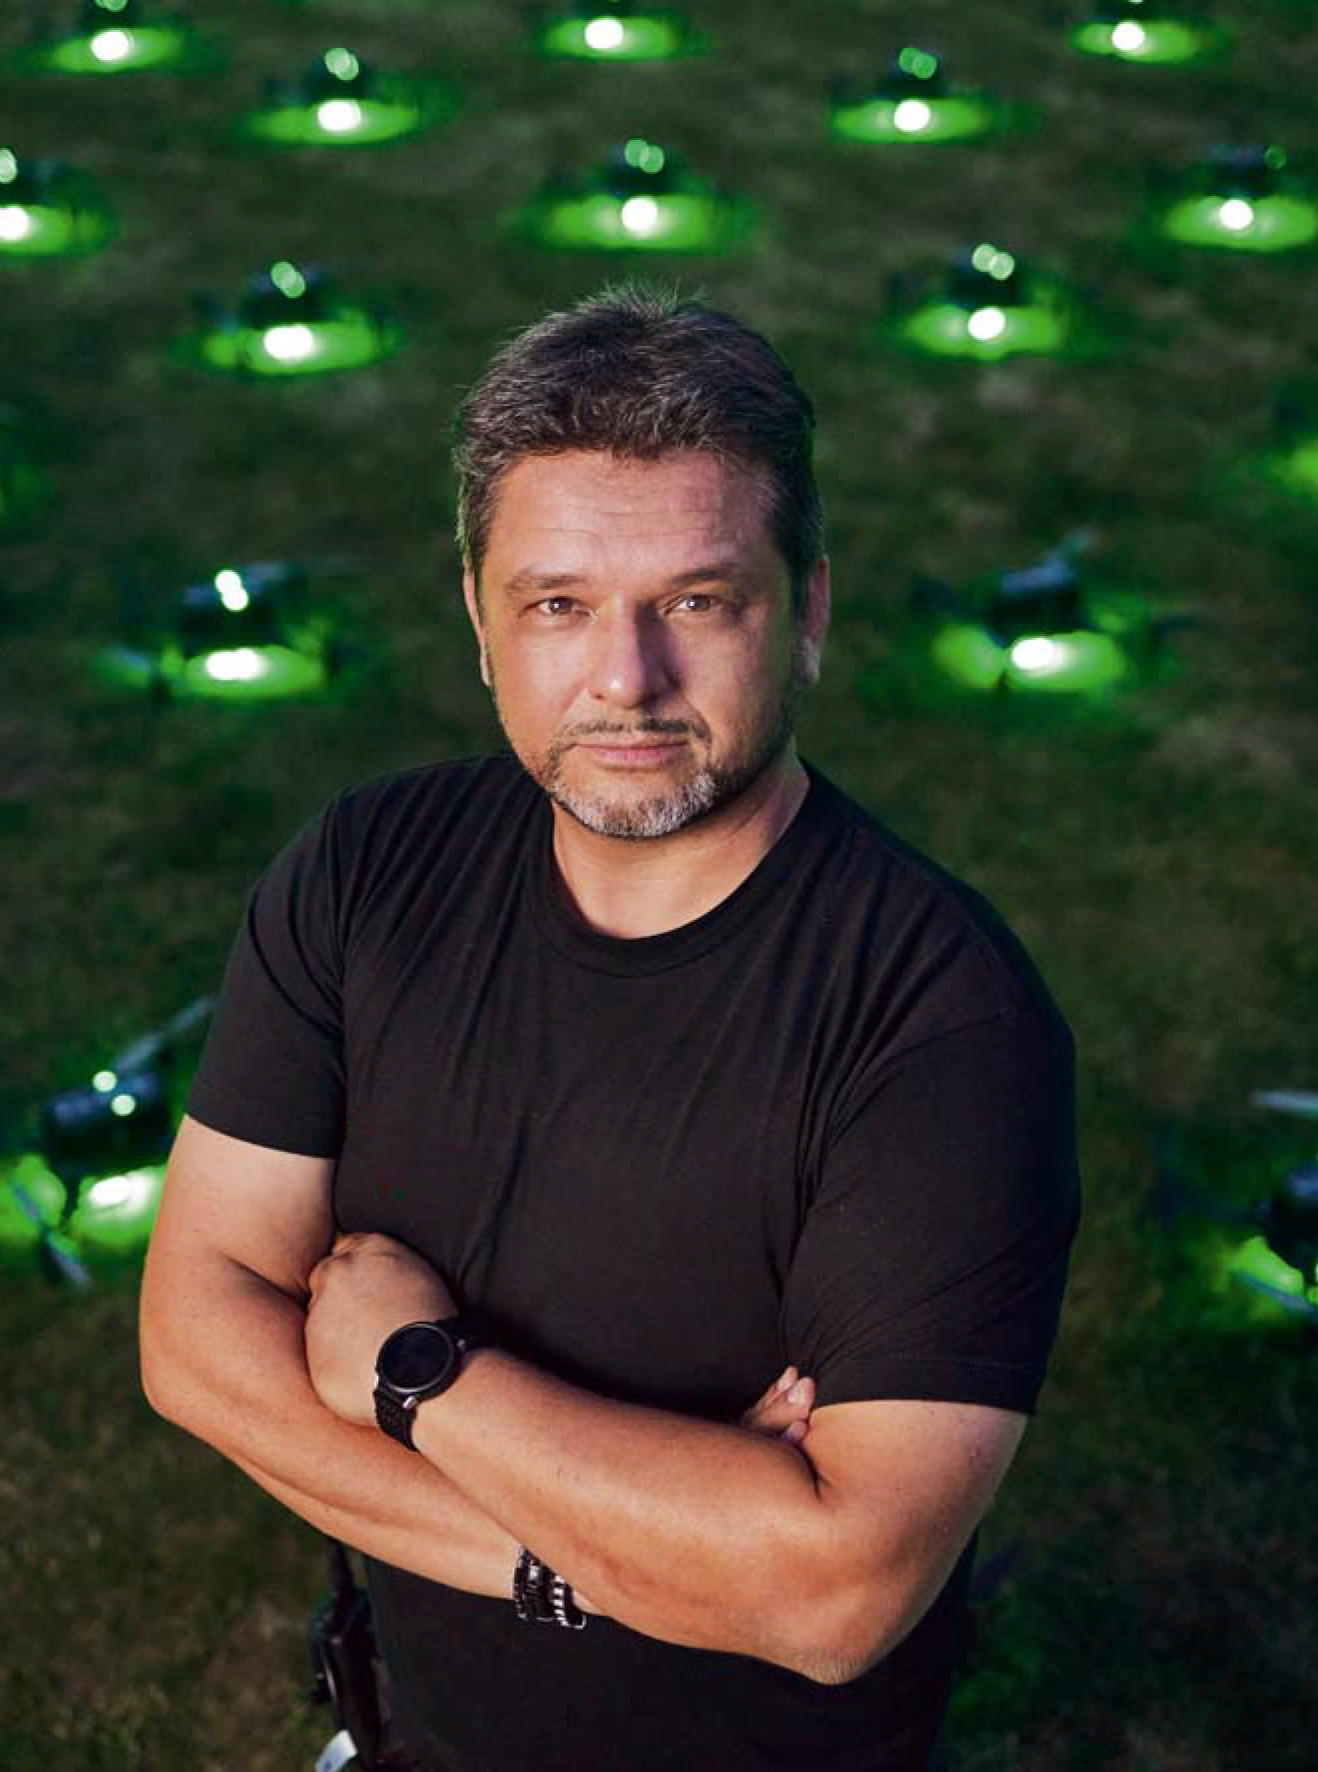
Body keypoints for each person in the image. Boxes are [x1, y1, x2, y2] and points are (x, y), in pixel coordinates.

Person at [139, 284, 1080, 1772]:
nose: (625, 681)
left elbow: (839, 1593)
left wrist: (409, 1372)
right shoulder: (366, 872)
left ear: (810, 609)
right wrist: (611, 1563)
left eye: (698, 602)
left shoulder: (941, 1022)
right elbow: (196, 1341)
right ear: (479, 615)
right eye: (560, 604)